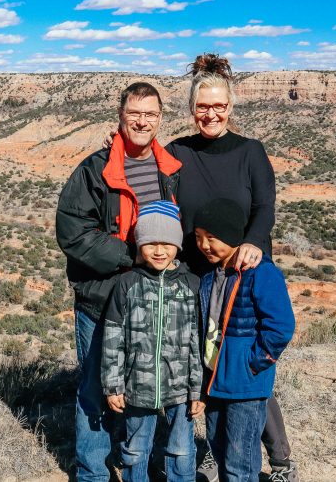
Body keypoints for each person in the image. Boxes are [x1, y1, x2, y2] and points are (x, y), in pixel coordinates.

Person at [166, 54, 299, 482]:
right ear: (191, 108)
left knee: (243, 369)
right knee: (206, 363)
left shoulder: (250, 152)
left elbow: (265, 206)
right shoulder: (177, 152)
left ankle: (278, 460)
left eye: (218, 106)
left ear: (231, 107)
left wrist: (254, 244)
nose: (211, 113)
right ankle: (211, 448)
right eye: (203, 106)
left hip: (244, 268)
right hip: (194, 271)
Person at [56, 81, 183, 482]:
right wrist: (133, 255)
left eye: (150, 115)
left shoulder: (172, 170)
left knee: (139, 392)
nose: (142, 122)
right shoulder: (95, 169)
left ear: (160, 119)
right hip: (102, 300)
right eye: (134, 115)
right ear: (121, 117)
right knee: (94, 390)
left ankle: (133, 469)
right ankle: (92, 473)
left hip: (150, 303)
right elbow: (73, 233)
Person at [194, 197, 296, 482]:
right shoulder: (208, 277)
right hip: (215, 383)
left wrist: (253, 363)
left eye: (211, 238)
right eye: (199, 237)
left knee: (241, 461)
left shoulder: (260, 273)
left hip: (246, 387)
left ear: (231, 235)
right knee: (219, 448)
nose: (204, 245)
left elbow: (281, 326)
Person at [101, 200, 203, 482]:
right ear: (139, 244)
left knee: (182, 451)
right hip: (137, 387)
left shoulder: (191, 285)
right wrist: (113, 386)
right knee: (134, 450)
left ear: (178, 244)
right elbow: (113, 339)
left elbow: (197, 342)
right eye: (150, 243)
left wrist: (199, 390)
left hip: (181, 389)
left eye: (167, 243)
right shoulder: (127, 284)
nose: (159, 251)